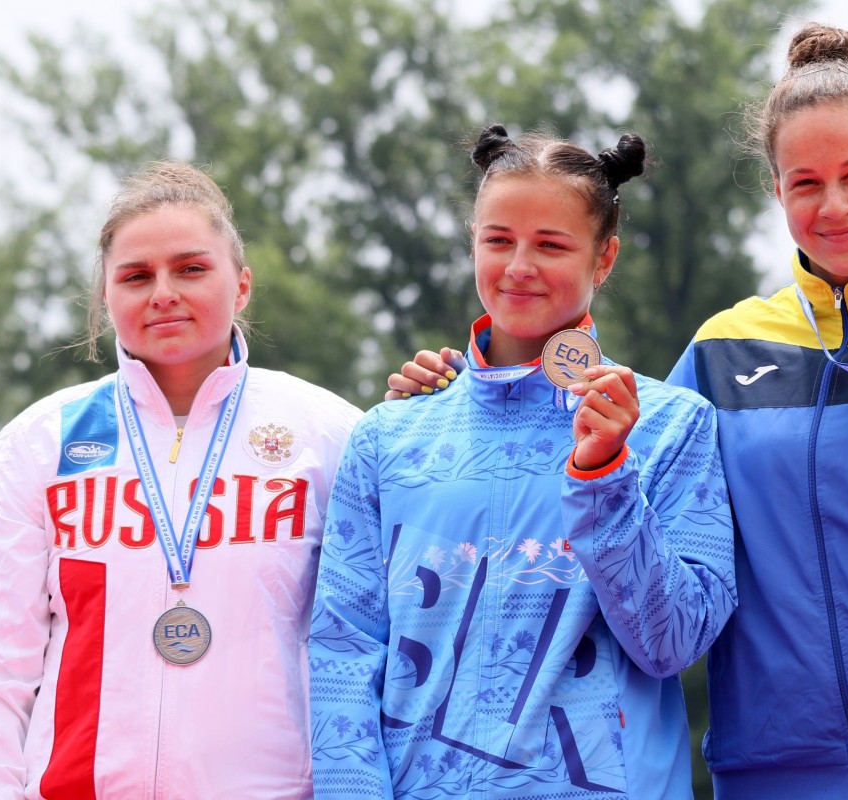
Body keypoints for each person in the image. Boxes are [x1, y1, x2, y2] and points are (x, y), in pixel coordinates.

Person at [387, 25, 848, 800]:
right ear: (775, 189)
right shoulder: (721, 351)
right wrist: (462, 401)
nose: (833, 206)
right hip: (771, 773)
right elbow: (600, 473)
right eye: (804, 183)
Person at [308, 124, 737, 799]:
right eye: (498, 240)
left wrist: (605, 477)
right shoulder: (388, 435)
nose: (518, 267)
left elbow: (673, 643)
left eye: (551, 245)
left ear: (604, 257)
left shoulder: (672, 426)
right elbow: (344, 650)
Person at [0, 161, 362, 798]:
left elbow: (368, 648)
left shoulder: (331, 433)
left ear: (242, 285)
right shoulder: (37, 444)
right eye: (136, 276)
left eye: (191, 269)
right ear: (105, 297)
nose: (163, 292)